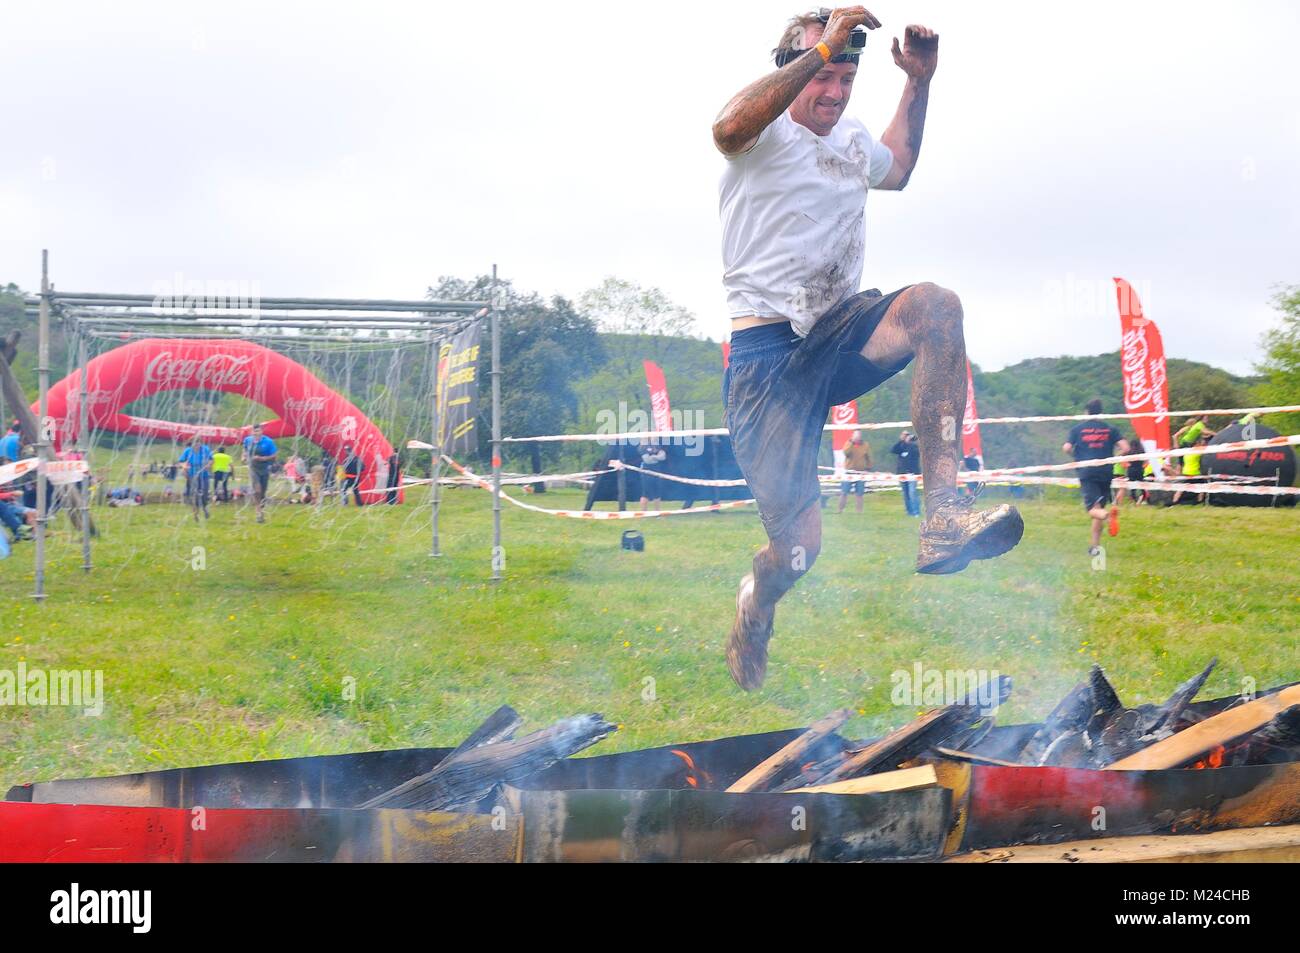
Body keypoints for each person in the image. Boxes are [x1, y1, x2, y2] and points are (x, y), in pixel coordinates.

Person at [715, 7, 1023, 689]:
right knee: (799, 550)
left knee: (935, 307)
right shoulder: (760, 137)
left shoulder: (852, 141)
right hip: (766, 364)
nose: (834, 92)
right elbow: (726, 126)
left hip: (838, 332)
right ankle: (755, 599)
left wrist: (918, 83)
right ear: (788, 68)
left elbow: (901, 166)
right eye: (821, 74)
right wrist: (823, 42)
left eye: (846, 77)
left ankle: (942, 515)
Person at [1063, 399, 1129, 556]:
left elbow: (1066, 448)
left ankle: (1107, 516)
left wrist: (1076, 458)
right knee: (1098, 508)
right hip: (1106, 471)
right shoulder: (1110, 429)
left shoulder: (1077, 429)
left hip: (1087, 472)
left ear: (1086, 412)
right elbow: (1126, 447)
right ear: (1101, 412)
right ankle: (1094, 547)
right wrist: (1114, 457)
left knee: (1093, 510)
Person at [242, 423, 277, 523]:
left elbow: (274, 456)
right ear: (252, 432)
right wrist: (244, 457)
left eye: (258, 431)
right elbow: (244, 450)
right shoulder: (248, 440)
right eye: (254, 431)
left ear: (262, 431)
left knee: (262, 493)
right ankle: (258, 512)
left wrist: (262, 458)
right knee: (257, 490)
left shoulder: (268, 441)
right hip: (253, 468)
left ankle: (261, 509)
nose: (256, 433)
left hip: (265, 468)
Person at [179, 435, 213, 520]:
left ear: (201, 443)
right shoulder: (188, 451)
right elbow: (181, 461)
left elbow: (211, 459)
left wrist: (208, 465)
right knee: (194, 495)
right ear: (192, 444)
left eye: (198, 443)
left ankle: (205, 509)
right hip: (192, 476)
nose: (197, 445)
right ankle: (196, 515)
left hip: (204, 475)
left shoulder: (205, 449)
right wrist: (184, 466)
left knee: (204, 494)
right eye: (195, 443)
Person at [838, 430, 872, 513]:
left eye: (859, 435)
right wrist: (851, 443)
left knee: (859, 494)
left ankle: (859, 511)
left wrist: (868, 468)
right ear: (852, 436)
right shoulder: (848, 443)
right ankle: (840, 510)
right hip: (849, 472)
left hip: (861, 472)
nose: (858, 437)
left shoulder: (865, 445)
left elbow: (869, 457)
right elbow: (846, 453)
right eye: (856, 435)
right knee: (844, 492)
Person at [890, 430, 922, 516]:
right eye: (905, 435)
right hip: (902, 473)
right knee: (905, 494)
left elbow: (917, 453)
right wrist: (901, 440)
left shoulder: (914, 447)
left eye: (907, 435)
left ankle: (916, 512)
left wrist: (910, 442)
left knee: (912, 492)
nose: (906, 437)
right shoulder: (901, 446)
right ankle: (909, 512)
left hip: (912, 473)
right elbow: (893, 450)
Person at [638, 442, 667, 510]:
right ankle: (644, 513)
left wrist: (653, 457)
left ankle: (657, 512)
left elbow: (663, 457)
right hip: (646, 470)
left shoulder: (657, 445)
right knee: (645, 492)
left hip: (656, 469)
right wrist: (657, 457)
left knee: (657, 491)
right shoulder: (642, 447)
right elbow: (647, 460)